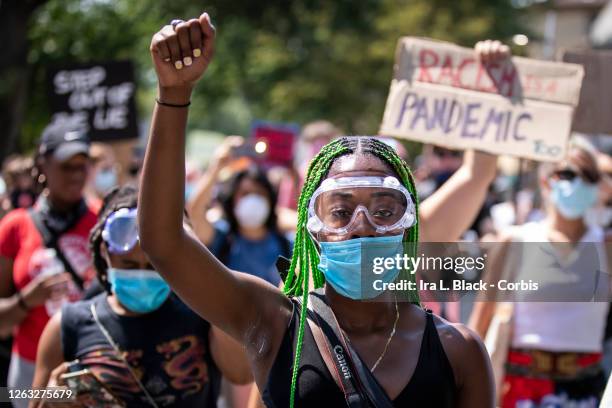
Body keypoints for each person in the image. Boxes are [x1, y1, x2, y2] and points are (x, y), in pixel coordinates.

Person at [141, 15, 505, 407]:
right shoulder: (275, 324)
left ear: (408, 225)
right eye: (341, 210)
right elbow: (164, 244)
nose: (362, 226)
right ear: (312, 227)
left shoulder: (458, 351)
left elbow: (477, 175)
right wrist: (173, 96)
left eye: (384, 211)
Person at [31, 186, 251, 407]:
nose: (142, 276)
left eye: (154, 267)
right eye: (129, 265)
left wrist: (187, 241)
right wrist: (53, 398)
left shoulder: (201, 313)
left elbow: (242, 374)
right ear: (104, 253)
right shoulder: (66, 325)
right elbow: (15, 397)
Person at [469, 138, 610, 407]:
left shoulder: (606, 247)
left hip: (586, 391)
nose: (577, 183)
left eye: (588, 176)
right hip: (522, 388)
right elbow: (479, 324)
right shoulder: (515, 242)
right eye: (568, 174)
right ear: (546, 181)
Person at [0, 127, 98, 407]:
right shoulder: (14, 226)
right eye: (67, 166)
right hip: (28, 374)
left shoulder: (104, 221)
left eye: (83, 166)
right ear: (42, 165)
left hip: (89, 370)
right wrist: (27, 300)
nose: (77, 175)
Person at [187, 137, 291, 286]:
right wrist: (217, 166)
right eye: (245, 194)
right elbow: (195, 211)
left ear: (270, 200)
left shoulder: (287, 244)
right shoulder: (222, 238)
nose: (253, 200)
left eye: (259, 194)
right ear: (232, 200)